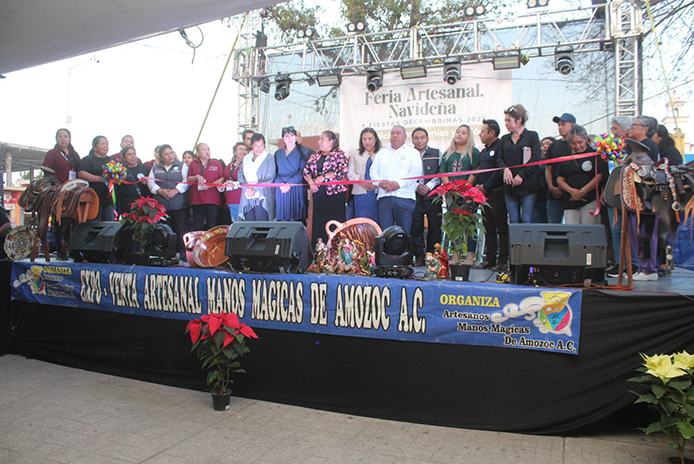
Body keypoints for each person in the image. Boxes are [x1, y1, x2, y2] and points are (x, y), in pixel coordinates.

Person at [624, 115, 660, 281]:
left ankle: (649, 269)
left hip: (646, 197)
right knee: (636, 233)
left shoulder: (648, 145)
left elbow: (646, 172)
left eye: (634, 125)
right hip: (634, 197)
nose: (631, 128)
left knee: (646, 232)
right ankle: (642, 267)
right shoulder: (632, 148)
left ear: (645, 129)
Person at [369, 125, 422, 235]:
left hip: (404, 198)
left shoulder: (412, 153)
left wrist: (398, 184)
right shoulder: (382, 153)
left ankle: (404, 248)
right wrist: (379, 183)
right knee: (385, 234)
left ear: (405, 136)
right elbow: (373, 171)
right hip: (385, 197)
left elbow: (415, 172)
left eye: (398, 133)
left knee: (404, 234)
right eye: (392, 133)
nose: (395, 135)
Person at [440, 124, 480, 265]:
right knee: (454, 224)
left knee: (469, 224)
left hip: (467, 195)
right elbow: (443, 172)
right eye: (458, 132)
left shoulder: (473, 152)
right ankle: (455, 255)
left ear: (469, 136)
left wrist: (465, 188)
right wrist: (450, 188)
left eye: (463, 133)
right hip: (451, 195)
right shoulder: (448, 153)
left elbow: (475, 172)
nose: (459, 134)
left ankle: (470, 256)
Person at [496, 104, 541, 224]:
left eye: (509, 120)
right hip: (509, 186)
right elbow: (499, 158)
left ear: (519, 120)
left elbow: (536, 158)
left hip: (527, 184)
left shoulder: (532, 136)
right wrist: (505, 169)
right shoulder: (505, 139)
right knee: (513, 219)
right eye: (505, 121)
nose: (506, 124)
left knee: (526, 218)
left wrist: (522, 174)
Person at [303, 131, 349, 246]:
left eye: (322, 139)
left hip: (335, 195)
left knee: (335, 224)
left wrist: (324, 177)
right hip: (319, 194)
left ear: (331, 141)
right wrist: (311, 183)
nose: (319, 142)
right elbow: (306, 171)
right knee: (319, 224)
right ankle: (319, 250)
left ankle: (336, 250)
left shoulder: (339, 154)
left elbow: (342, 171)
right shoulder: (315, 155)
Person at [474, 119, 508, 272]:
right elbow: (481, 171)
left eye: (483, 131)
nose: (480, 134)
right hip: (484, 195)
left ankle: (503, 261)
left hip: (496, 193)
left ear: (492, 133)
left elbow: (498, 171)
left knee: (501, 228)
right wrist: (479, 186)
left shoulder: (500, 147)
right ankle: (489, 259)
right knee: (488, 228)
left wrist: (486, 186)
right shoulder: (483, 151)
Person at [42, 128, 80, 259]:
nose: (63, 139)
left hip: (74, 190)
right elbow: (46, 172)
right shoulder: (52, 154)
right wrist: (56, 184)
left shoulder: (74, 155)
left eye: (65, 136)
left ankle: (74, 249)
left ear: (70, 139)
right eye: (60, 136)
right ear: (56, 139)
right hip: (59, 190)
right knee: (59, 221)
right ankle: (60, 248)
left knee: (74, 220)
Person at [556, 125, 606, 225]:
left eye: (580, 142)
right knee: (572, 230)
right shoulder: (565, 157)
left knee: (589, 229)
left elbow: (600, 175)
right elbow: (560, 179)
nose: (577, 146)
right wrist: (571, 191)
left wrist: (583, 191)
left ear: (586, 139)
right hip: (570, 201)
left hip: (590, 199)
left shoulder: (595, 154)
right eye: (573, 143)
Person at [147, 145, 189, 255]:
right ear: (161, 157)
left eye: (171, 152)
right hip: (162, 206)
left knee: (180, 229)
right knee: (165, 230)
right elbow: (150, 183)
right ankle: (168, 254)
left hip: (179, 205)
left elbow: (186, 181)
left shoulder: (182, 166)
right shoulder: (155, 168)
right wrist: (159, 190)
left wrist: (175, 191)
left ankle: (182, 254)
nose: (170, 156)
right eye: (166, 154)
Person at [410, 127, 442, 267]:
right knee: (416, 227)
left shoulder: (436, 153)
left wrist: (429, 185)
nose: (419, 140)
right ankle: (419, 256)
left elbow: (441, 172)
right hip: (414, 194)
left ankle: (432, 256)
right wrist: (417, 186)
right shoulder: (408, 154)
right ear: (412, 140)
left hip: (433, 195)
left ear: (427, 139)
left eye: (422, 137)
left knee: (435, 227)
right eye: (416, 138)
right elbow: (404, 174)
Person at [545, 113, 576, 223]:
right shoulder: (553, 146)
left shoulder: (577, 146)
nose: (560, 127)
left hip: (573, 195)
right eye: (559, 125)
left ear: (572, 125)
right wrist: (551, 186)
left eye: (563, 124)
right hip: (554, 195)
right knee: (553, 227)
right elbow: (548, 168)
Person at [274, 126, 309, 222]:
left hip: (296, 188)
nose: (290, 138)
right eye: (287, 136)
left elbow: (302, 171)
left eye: (292, 135)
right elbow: (274, 172)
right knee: (283, 220)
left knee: (296, 220)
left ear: (296, 137)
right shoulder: (277, 153)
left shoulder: (304, 152)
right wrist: (281, 184)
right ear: (283, 139)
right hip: (281, 189)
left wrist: (289, 184)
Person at [239, 133, 276, 221]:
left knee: (261, 224)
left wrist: (254, 189)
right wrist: (247, 188)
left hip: (262, 196)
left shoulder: (269, 158)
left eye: (261, 145)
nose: (258, 148)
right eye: (256, 146)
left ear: (264, 145)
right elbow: (240, 175)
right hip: (247, 196)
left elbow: (270, 177)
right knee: (249, 224)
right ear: (252, 145)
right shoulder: (246, 158)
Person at [187, 143, 224, 230]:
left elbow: (222, 178)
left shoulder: (216, 163)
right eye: (203, 149)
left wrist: (211, 185)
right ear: (197, 153)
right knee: (198, 226)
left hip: (212, 199)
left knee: (212, 225)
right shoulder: (193, 163)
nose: (207, 151)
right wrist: (196, 177)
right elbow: (188, 179)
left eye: (208, 149)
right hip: (197, 199)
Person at [78, 135, 115, 221]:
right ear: (94, 147)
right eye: (102, 144)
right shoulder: (88, 160)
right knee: (94, 223)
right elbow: (81, 173)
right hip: (92, 199)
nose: (105, 146)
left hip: (109, 200)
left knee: (109, 224)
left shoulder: (112, 161)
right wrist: (99, 179)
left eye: (107, 144)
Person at [348, 127, 380, 223]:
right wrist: (361, 182)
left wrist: (377, 184)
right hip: (360, 191)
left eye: (370, 138)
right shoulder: (355, 152)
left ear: (375, 139)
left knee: (377, 221)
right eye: (364, 139)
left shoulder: (382, 152)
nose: (367, 142)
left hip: (378, 191)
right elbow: (350, 172)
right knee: (362, 221)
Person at [114, 146, 149, 215]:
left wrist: (147, 183)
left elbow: (152, 184)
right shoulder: (120, 169)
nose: (133, 156)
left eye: (134, 154)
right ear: (124, 157)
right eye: (129, 154)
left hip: (142, 204)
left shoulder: (145, 168)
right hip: (126, 205)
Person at [222, 142, 248, 222]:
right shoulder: (229, 166)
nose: (243, 151)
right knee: (234, 221)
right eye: (240, 149)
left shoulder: (248, 165)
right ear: (234, 152)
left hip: (241, 197)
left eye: (245, 149)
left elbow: (248, 180)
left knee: (241, 222)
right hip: (230, 198)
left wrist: (234, 184)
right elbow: (225, 178)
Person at [533, 136, 556, 224]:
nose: (545, 146)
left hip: (551, 196)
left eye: (548, 144)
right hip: (537, 197)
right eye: (543, 145)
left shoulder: (556, 160)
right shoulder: (537, 161)